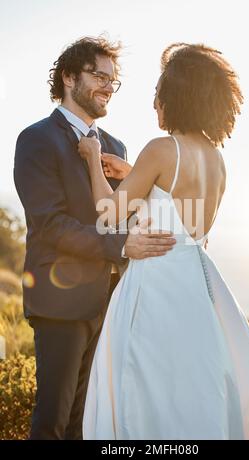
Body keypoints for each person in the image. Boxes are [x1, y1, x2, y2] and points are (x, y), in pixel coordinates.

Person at [81, 43, 249, 440]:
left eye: (158, 97)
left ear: (176, 98)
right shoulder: (217, 159)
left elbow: (108, 213)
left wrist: (93, 156)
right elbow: (185, 213)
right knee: (190, 393)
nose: (154, 107)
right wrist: (133, 172)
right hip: (198, 285)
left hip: (155, 286)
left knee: (145, 392)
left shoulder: (161, 150)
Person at [13, 36, 176, 440]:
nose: (108, 86)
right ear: (69, 77)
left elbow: (131, 214)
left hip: (110, 306)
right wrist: (121, 246)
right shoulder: (36, 140)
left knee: (86, 425)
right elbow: (50, 225)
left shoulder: (117, 147)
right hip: (60, 303)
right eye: (99, 76)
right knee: (52, 421)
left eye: (113, 80)